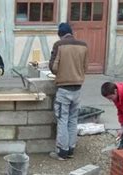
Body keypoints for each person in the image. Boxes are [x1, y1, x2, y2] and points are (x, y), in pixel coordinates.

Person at [48, 22, 88, 160]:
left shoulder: (59, 45)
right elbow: (85, 67)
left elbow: (53, 67)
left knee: (62, 119)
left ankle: (62, 151)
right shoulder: (83, 46)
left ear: (60, 34)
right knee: (73, 119)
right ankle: (71, 148)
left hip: (64, 89)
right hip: (77, 88)